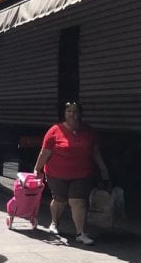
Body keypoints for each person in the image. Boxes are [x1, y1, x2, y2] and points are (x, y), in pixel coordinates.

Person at [33, 102, 110, 245]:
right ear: (64, 113)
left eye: (75, 111)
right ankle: (55, 223)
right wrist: (37, 169)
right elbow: (45, 152)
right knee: (60, 200)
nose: (72, 114)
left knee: (78, 201)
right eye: (69, 111)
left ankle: (80, 233)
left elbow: (95, 152)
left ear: (80, 113)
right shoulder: (54, 131)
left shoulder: (88, 131)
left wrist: (103, 168)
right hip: (56, 173)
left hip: (82, 174)